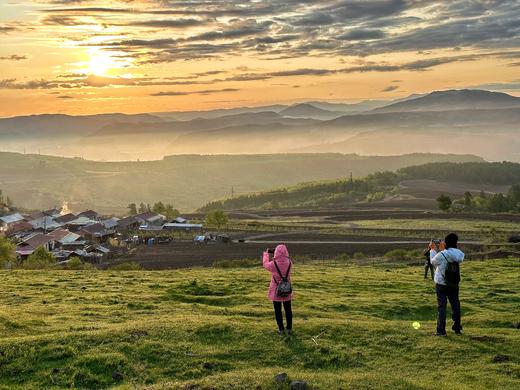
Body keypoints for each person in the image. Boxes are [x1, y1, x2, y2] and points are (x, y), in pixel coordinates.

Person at [430, 233, 464, 336]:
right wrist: (443, 249)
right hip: (454, 284)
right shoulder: (460, 254)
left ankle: (441, 331)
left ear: (446, 242)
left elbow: (433, 262)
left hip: (441, 284)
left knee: (442, 307)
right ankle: (457, 328)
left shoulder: (443, 254)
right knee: (455, 305)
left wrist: (432, 249)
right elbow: (452, 256)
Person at [263, 244, 293, 336]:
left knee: (278, 311)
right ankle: (289, 329)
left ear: (276, 252)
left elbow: (265, 264)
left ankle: (281, 329)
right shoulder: (290, 262)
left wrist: (266, 254)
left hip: (276, 291)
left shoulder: (273, 264)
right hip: (286, 290)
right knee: (288, 310)